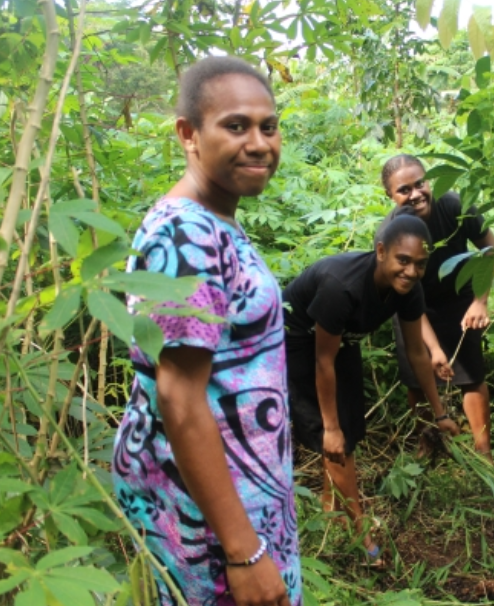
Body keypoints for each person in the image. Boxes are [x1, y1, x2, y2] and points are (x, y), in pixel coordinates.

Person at [112, 56, 299, 606]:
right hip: (206, 521)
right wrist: (244, 551)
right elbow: (178, 394)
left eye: (269, 125)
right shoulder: (185, 234)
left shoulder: (216, 219)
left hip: (237, 502)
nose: (261, 143)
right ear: (188, 135)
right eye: (236, 126)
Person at [283, 213, 460, 565]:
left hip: (341, 342)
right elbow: (322, 363)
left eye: (420, 264)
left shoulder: (409, 290)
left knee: (351, 428)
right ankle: (360, 531)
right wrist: (330, 428)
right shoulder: (341, 286)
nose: (411, 271)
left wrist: (439, 413)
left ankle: (330, 504)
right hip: (297, 341)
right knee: (335, 438)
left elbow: (416, 353)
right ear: (381, 251)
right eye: (403, 260)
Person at [377, 154, 494, 460]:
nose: (416, 194)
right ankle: (428, 444)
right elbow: (406, 297)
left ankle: (484, 452)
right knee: (417, 379)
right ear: (390, 196)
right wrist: (434, 349)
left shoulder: (454, 206)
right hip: (411, 304)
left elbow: (490, 247)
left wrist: (480, 302)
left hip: (459, 296)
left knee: (471, 375)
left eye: (421, 183)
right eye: (404, 190)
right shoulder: (390, 233)